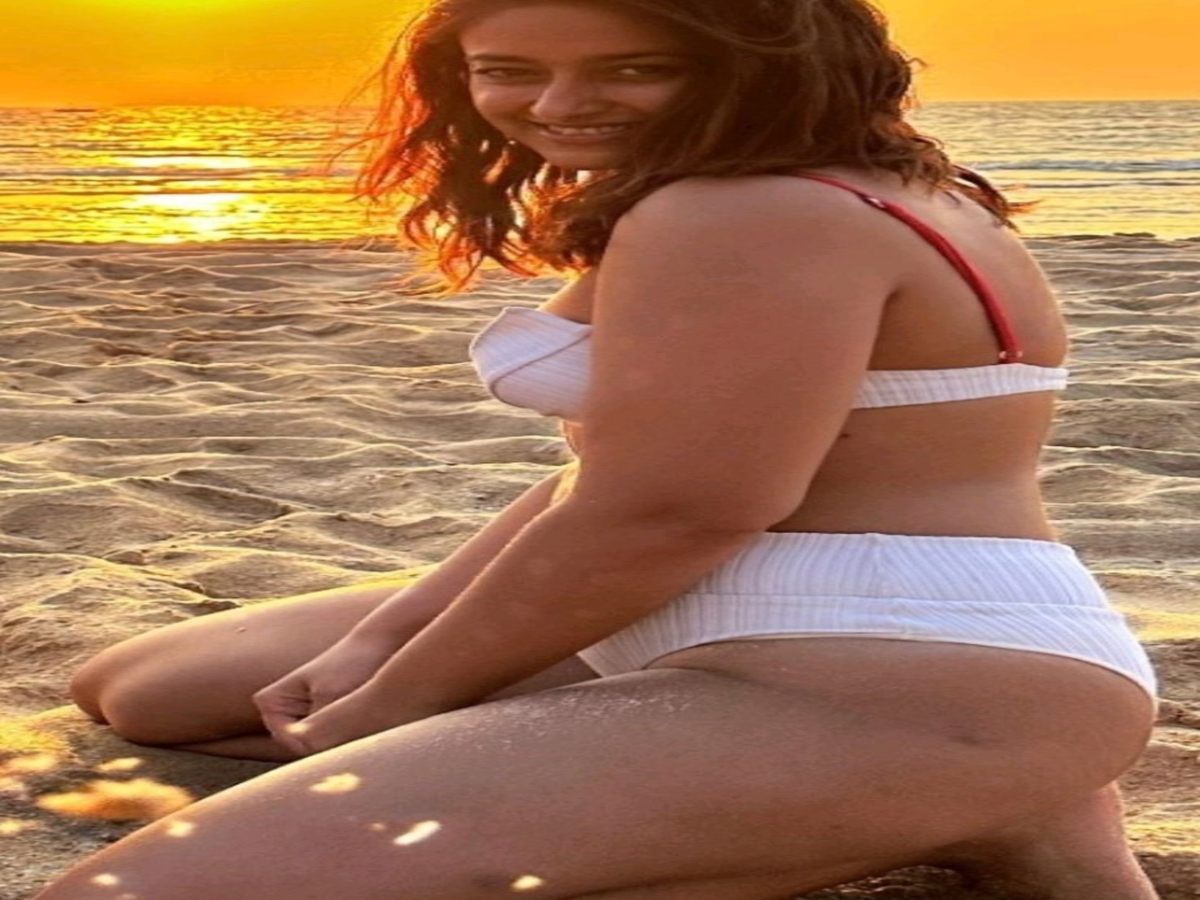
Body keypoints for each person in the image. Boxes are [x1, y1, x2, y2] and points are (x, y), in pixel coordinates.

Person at [41, 1, 1160, 898]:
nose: (561, 103)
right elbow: (612, 479)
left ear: (756, 57)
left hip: (907, 663)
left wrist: (392, 706)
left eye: (634, 68)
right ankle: (979, 801)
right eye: (509, 68)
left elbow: (679, 512)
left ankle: (989, 790)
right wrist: (387, 637)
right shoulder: (806, 190)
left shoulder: (749, 216)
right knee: (149, 692)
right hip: (689, 610)